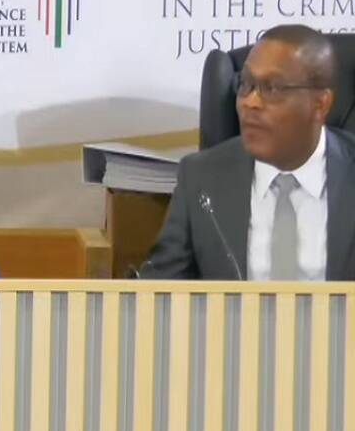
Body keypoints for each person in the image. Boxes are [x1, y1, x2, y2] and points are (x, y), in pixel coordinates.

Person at [142, 24, 355, 280]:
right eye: (245, 84)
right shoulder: (201, 178)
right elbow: (159, 289)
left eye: (272, 88)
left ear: (321, 104)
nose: (250, 102)